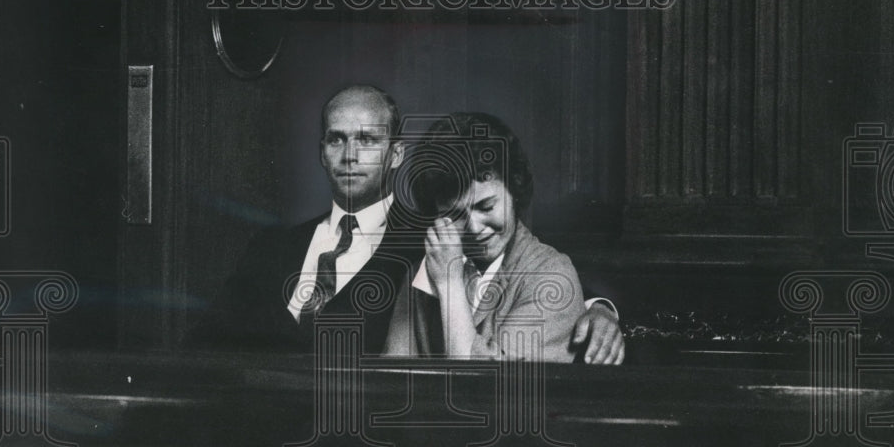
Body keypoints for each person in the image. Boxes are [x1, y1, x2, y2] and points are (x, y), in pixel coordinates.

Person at [188, 85, 624, 364]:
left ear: (396, 154)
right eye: (336, 139)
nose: (351, 156)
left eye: (368, 139)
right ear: (321, 151)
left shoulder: (427, 237)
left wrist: (601, 307)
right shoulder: (272, 244)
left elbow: (554, 275)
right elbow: (211, 334)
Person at [382, 112, 611, 363]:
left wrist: (449, 284)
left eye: (486, 207)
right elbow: (395, 378)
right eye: (455, 215)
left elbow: (480, 390)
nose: (474, 228)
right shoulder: (423, 271)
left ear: (514, 191)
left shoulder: (553, 276)